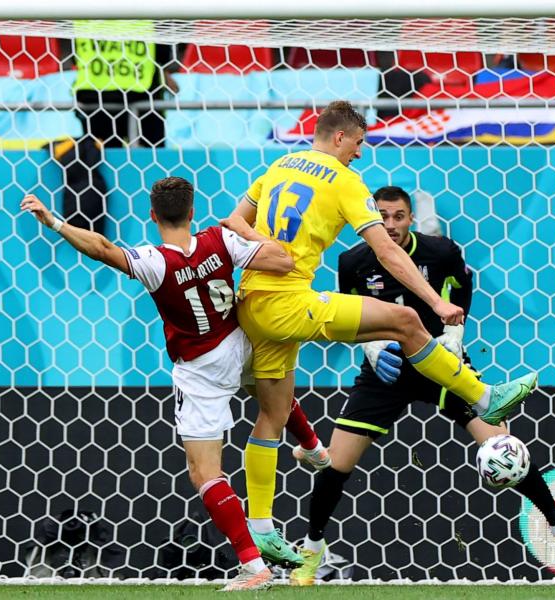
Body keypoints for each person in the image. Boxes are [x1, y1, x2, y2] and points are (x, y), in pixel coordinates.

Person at [225, 100, 538, 564]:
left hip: (250, 303)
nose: (360, 153)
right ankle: (485, 397)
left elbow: (232, 222)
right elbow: (389, 254)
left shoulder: (278, 166)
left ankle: (262, 528)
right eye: (358, 143)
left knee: (271, 416)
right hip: (288, 302)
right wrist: (435, 301)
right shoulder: (344, 181)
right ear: (338, 138)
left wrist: (264, 246)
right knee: (407, 320)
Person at [289, 186, 555, 584]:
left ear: (411, 218)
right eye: (381, 216)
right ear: (369, 218)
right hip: (387, 374)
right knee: (336, 464)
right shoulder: (353, 261)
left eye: (398, 216)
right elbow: (351, 312)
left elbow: (463, 290)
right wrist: (374, 347)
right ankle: (312, 552)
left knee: (505, 449)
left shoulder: (440, 251)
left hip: (442, 365)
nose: (390, 225)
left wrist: (456, 334)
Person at [21, 177, 292, 590]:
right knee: (270, 397)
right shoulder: (221, 240)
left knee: (204, 474)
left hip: (201, 368)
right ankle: (313, 446)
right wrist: (247, 234)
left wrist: (53, 221)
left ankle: (253, 566)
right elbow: (280, 261)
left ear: (152, 215)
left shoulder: (155, 260)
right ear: (192, 211)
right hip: (239, 342)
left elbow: (101, 248)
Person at [72, 30, 179, 148]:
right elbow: (162, 53)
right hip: (141, 95)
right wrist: (165, 70)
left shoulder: (82, 15)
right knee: (149, 156)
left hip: (95, 95)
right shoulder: (150, 15)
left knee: (101, 156)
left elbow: (75, 54)